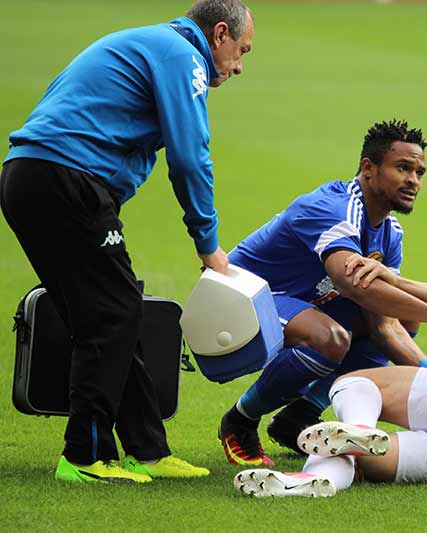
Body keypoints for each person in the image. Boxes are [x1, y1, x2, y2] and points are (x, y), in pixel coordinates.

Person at [0, 0, 255, 483]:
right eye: (241, 51)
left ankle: (146, 448)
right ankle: (84, 457)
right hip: (63, 180)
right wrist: (208, 243)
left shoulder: (150, 43)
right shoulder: (184, 56)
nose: (239, 66)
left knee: (112, 310)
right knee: (114, 312)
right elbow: (190, 156)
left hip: (34, 177)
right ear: (218, 34)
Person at [218, 120, 427, 467]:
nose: (414, 181)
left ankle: (298, 417)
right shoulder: (334, 207)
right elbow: (352, 284)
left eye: (420, 172)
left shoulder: (390, 232)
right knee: (330, 338)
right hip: (240, 298)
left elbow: (385, 326)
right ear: (368, 168)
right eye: (403, 168)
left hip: (302, 303)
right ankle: (240, 419)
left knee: (399, 315)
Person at [231, 258, 427, 497]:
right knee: (356, 457)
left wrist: (394, 281)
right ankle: (303, 484)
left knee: (354, 383)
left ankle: (359, 428)